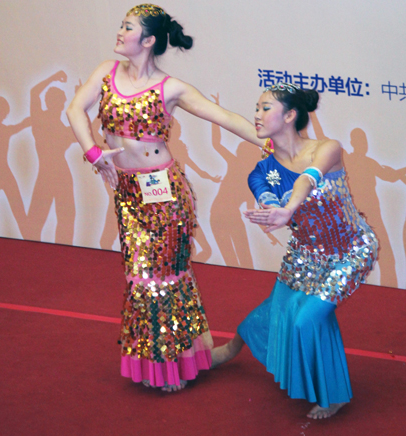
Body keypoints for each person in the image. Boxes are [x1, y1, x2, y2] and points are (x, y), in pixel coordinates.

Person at [67, 3, 263, 392]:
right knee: (142, 279)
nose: (120, 32)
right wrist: (93, 151)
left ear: (149, 40)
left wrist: (275, 145)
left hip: (165, 197)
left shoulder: (170, 87)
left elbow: (224, 117)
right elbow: (75, 110)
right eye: (122, 25)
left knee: (164, 279)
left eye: (128, 27)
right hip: (128, 196)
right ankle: (178, 356)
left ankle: (176, 362)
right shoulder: (106, 72)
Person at [211, 83, 378, 418]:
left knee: (307, 319)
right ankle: (230, 349)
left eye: (265, 108)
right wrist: (273, 209)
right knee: (276, 311)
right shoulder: (262, 171)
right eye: (256, 108)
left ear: (289, 116)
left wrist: (289, 209)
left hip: (351, 250)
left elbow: (307, 179)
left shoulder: (327, 148)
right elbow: (265, 194)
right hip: (303, 256)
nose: (256, 115)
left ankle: (334, 394)